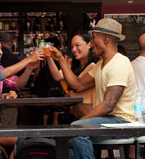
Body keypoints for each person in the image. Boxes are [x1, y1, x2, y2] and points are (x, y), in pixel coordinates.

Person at [49, 18, 135, 159]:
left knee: (77, 130)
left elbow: (108, 105)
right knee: (67, 137)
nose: (91, 42)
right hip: (106, 121)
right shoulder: (101, 64)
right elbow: (78, 85)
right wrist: (60, 59)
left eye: (94, 37)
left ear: (106, 40)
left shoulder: (120, 63)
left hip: (121, 122)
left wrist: (78, 123)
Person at [0, 34, 39, 126]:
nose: (0, 52)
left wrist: (29, 68)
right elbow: (1, 75)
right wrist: (28, 60)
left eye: (1, 48)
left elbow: (17, 84)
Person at [46, 31, 98, 119]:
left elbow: (77, 86)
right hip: (79, 113)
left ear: (89, 44)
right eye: (72, 46)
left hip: (91, 114)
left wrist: (61, 59)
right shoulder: (72, 65)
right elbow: (57, 76)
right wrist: (48, 56)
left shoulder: (94, 66)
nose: (74, 49)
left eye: (77, 45)